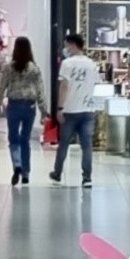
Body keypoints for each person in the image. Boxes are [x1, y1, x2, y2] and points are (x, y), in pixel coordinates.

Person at [0, 36, 47, 185]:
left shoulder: (9, 68)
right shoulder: (34, 69)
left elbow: (1, 87)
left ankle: (17, 164)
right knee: (25, 139)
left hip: (14, 105)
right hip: (29, 106)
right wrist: (44, 111)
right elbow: (40, 90)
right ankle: (26, 173)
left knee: (13, 138)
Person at [49, 33, 100, 186]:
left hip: (70, 110)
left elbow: (64, 86)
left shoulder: (67, 64)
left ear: (72, 45)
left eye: (66, 45)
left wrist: (60, 108)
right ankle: (87, 178)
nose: (65, 49)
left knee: (64, 144)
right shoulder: (92, 64)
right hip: (88, 110)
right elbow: (95, 84)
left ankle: (57, 173)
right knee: (87, 146)